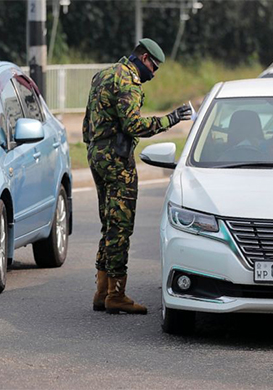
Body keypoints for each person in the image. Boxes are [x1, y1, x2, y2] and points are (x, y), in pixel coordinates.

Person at [83, 38, 191, 315]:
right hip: (117, 161)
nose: (153, 75)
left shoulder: (103, 75)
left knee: (108, 222)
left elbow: (87, 122)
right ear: (144, 58)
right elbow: (133, 125)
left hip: (97, 155)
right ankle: (116, 295)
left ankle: (102, 291)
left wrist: (98, 148)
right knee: (121, 226)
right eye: (153, 68)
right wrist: (171, 118)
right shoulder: (128, 81)